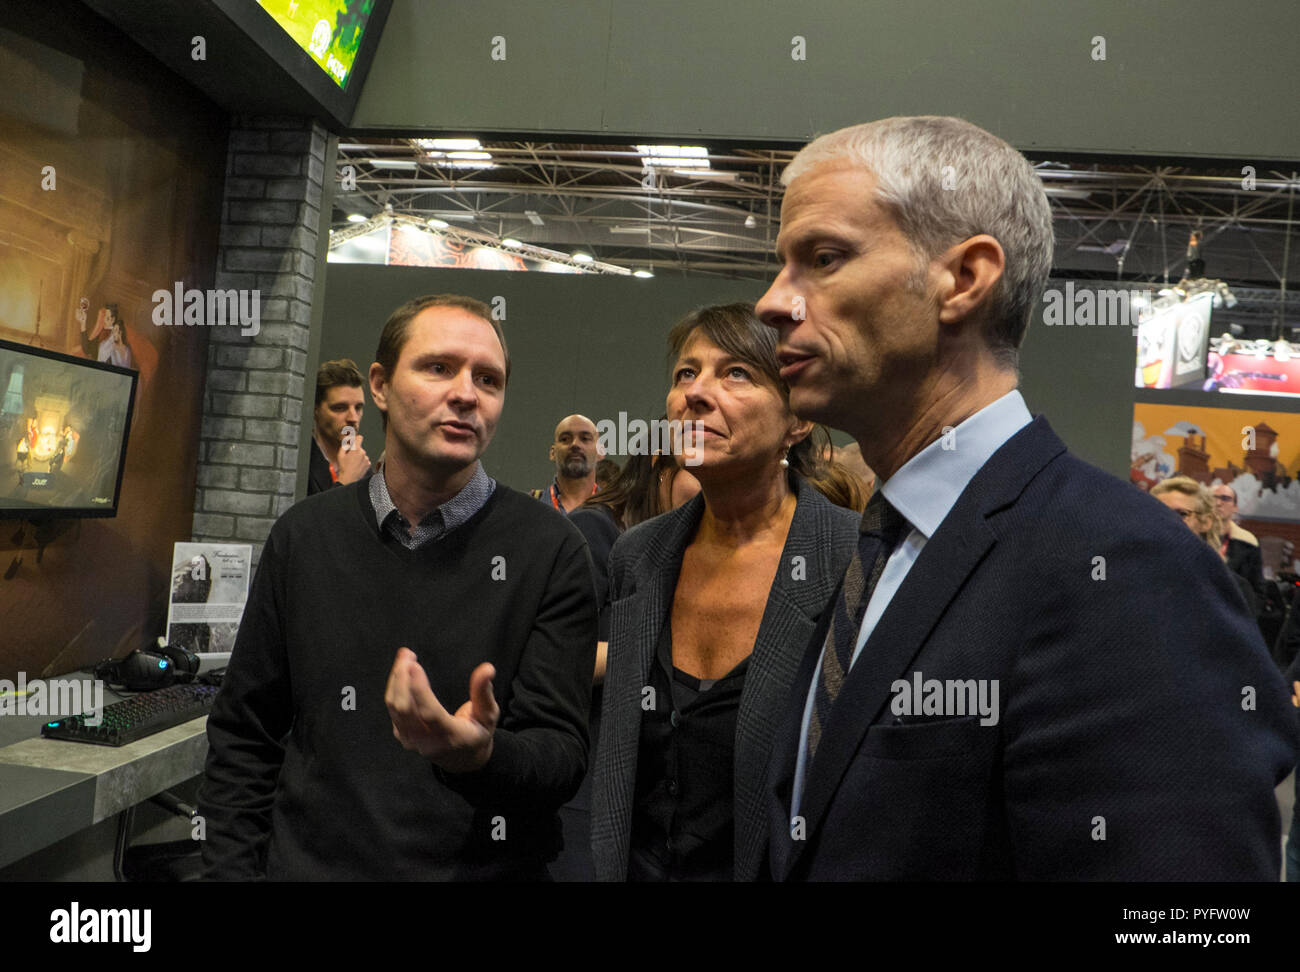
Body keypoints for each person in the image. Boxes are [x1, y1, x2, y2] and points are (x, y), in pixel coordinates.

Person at [754, 115, 1298, 881]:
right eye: (783, 266)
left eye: (823, 258)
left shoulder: (1121, 566)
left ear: (966, 279)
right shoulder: (877, 549)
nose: (775, 303)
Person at [198, 293, 597, 880]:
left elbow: (560, 757)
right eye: (439, 368)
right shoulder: (304, 538)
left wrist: (480, 755)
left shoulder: (553, 549)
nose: (466, 393)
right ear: (379, 386)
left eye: (488, 379)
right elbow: (244, 736)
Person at [591, 303, 859, 882]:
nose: (697, 392)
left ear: (797, 419)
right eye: (686, 373)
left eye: (736, 373)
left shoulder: (851, 558)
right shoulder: (639, 556)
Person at [1152, 476, 1258, 617]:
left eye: (1182, 514)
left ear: (1205, 522)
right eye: (1160, 513)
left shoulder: (1230, 588)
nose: (1169, 521)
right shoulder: (1127, 576)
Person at [308, 358, 370, 494]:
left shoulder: (364, 467)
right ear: (315, 409)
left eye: (358, 408)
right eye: (340, 408)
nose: (353, 418)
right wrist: (346, 480)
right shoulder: (302, 463)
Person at [532, 414, 603, 512]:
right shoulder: (529, 507)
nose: (575, 444)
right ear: (553, 453)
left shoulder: (617, 510)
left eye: (585, 438)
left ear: (600, 452)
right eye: (565, 439)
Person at [1212, 483, 1265, 601]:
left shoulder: (1248, 542)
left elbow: (1258, 591)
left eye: (1225, 499)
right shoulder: (1193, 537)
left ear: (1235, 507)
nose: (1218, 503)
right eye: (1212, 498)